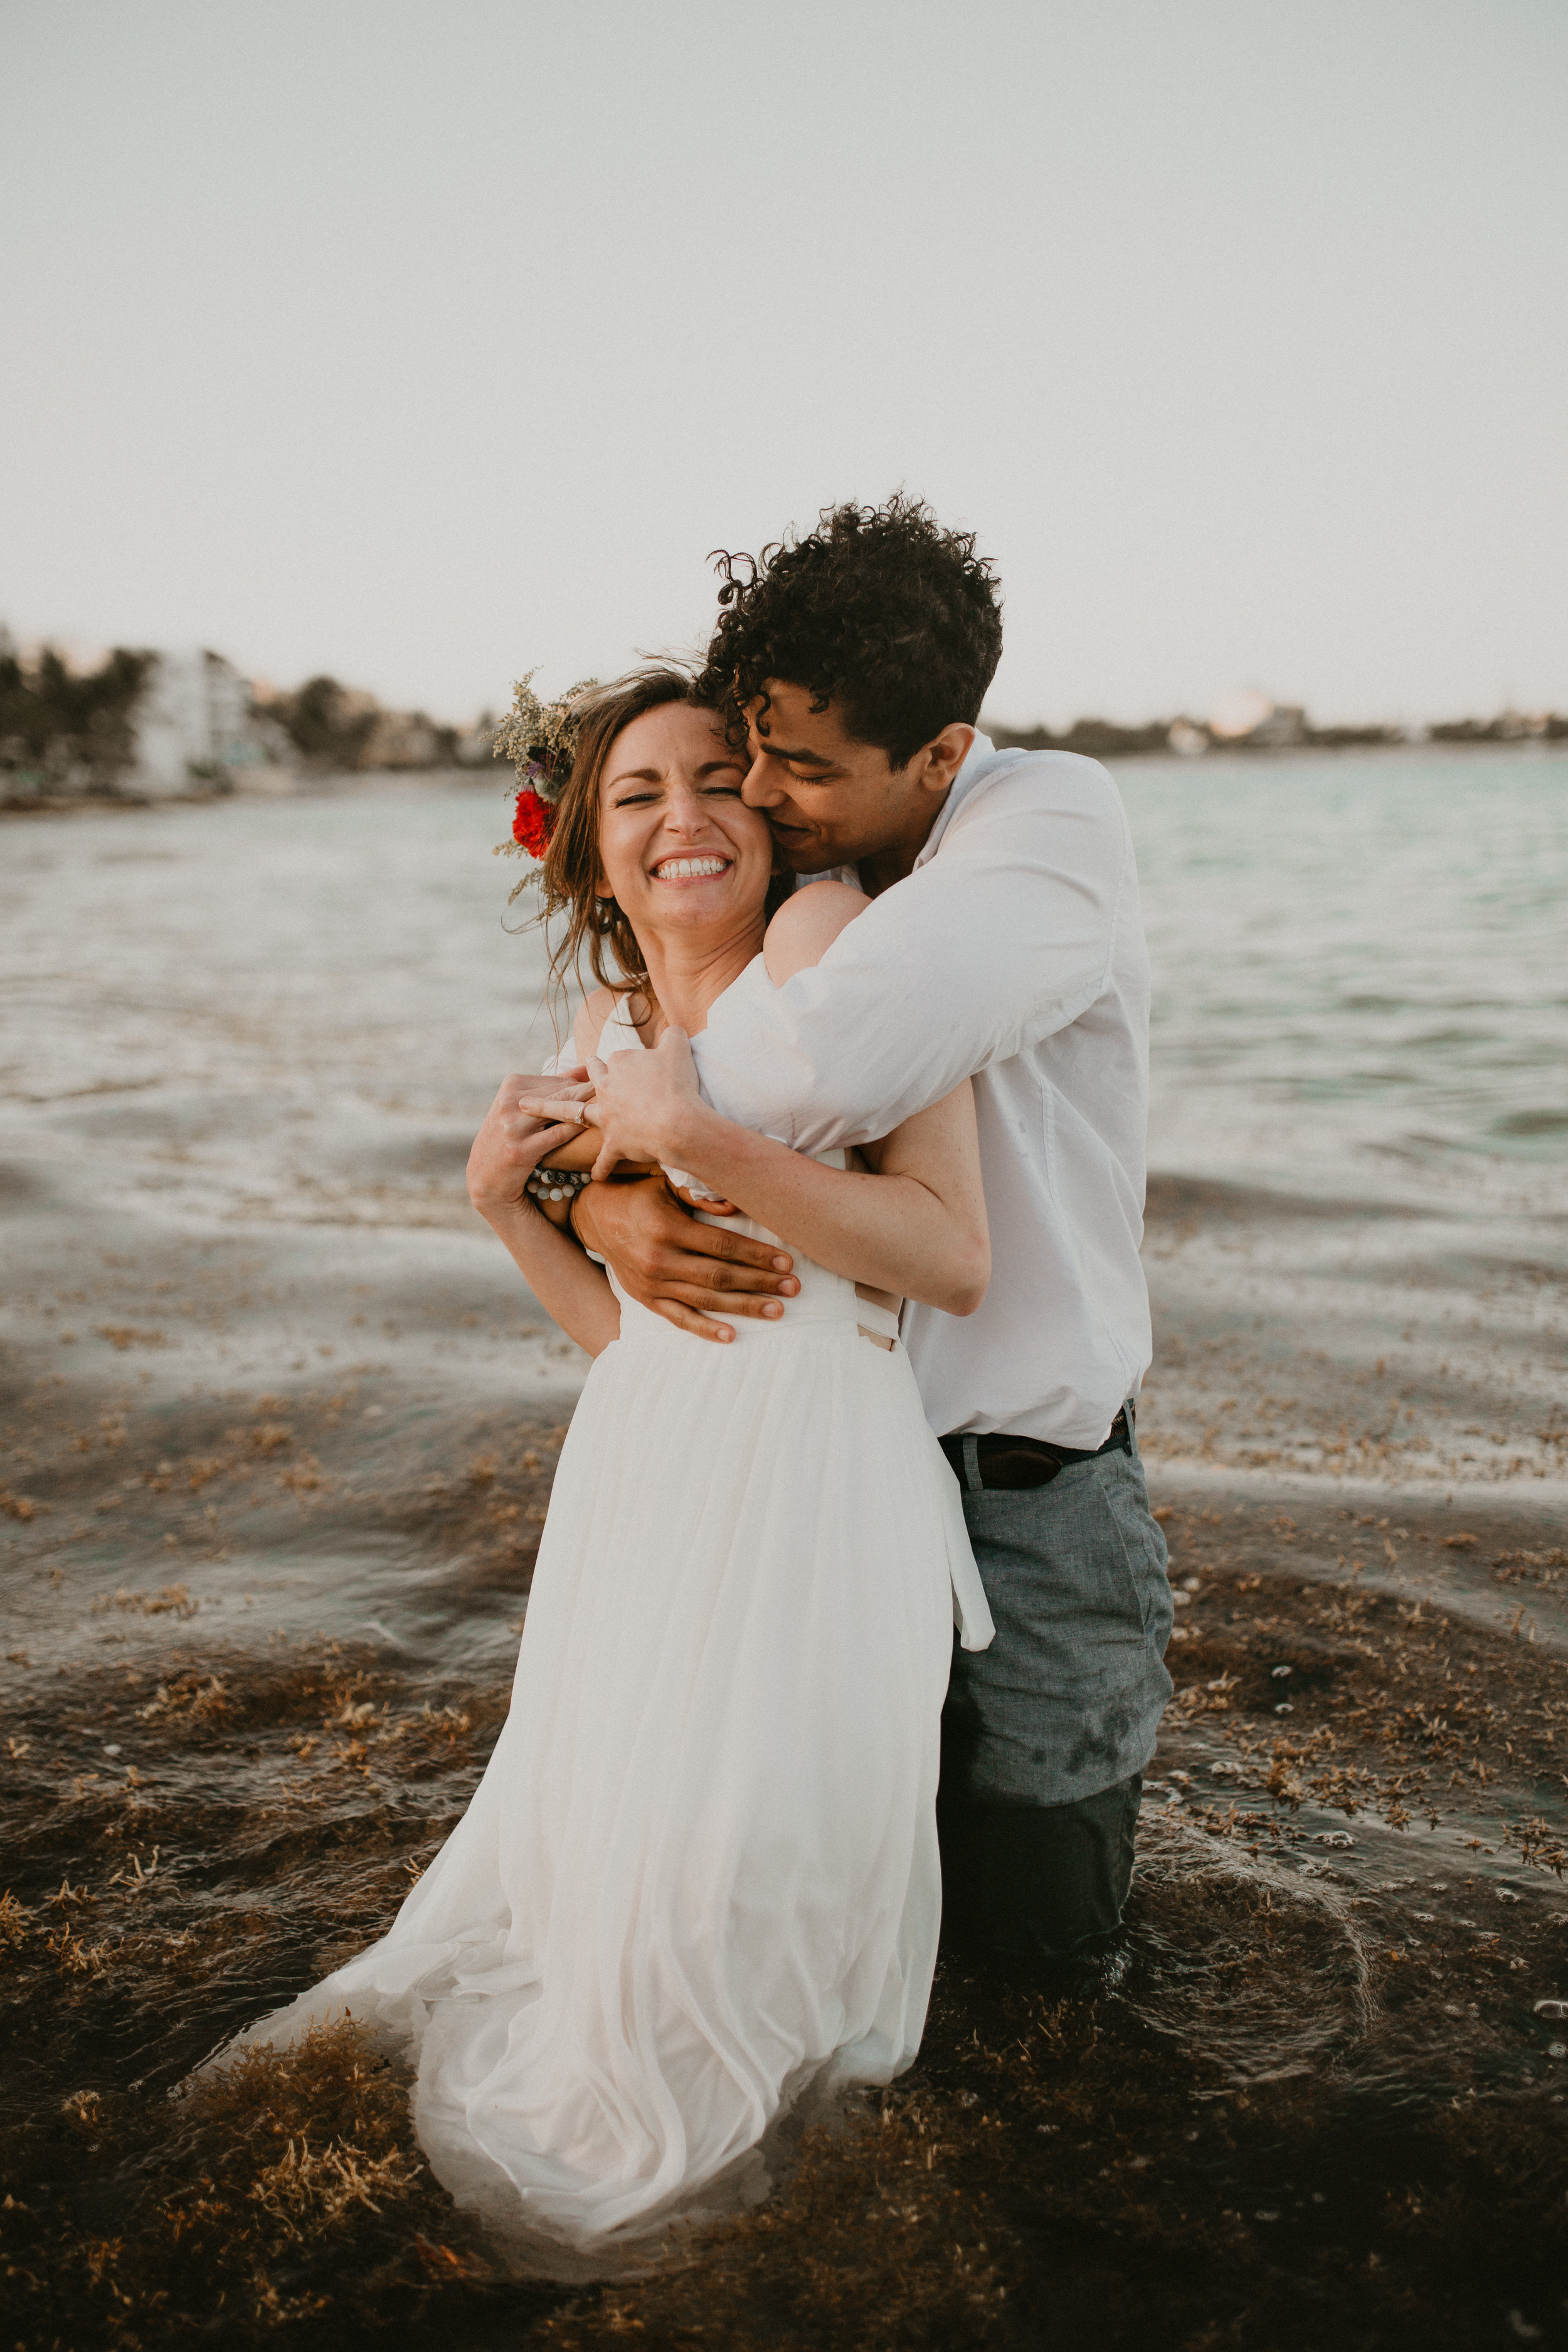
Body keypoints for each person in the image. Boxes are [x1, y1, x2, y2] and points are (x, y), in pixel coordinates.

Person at [231, 667, 994, 2259]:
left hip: (811, 1482)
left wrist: (686, 1149)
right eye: (635, 794)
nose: (682, 818)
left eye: (717, 777)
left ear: (774, 808)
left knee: (755, 1834)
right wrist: (514, 1207)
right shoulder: (606, 1029)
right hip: (646, 1477)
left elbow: (948, 1262)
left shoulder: (827, 944)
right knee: (627, 1826)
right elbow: (639, 1340)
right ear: (584, 846)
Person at [564, 496, 1174, 1968]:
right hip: (827, 1489)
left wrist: (627, 1131)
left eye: (797, 767)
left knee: (1041, 1941)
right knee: (837, 1916)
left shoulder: (1038, 830)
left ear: (939, 756)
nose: (762, 794)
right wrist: (581, 1188)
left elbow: (821, 1064)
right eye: (750, 750)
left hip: (1024, 1492)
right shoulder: (822, 880)